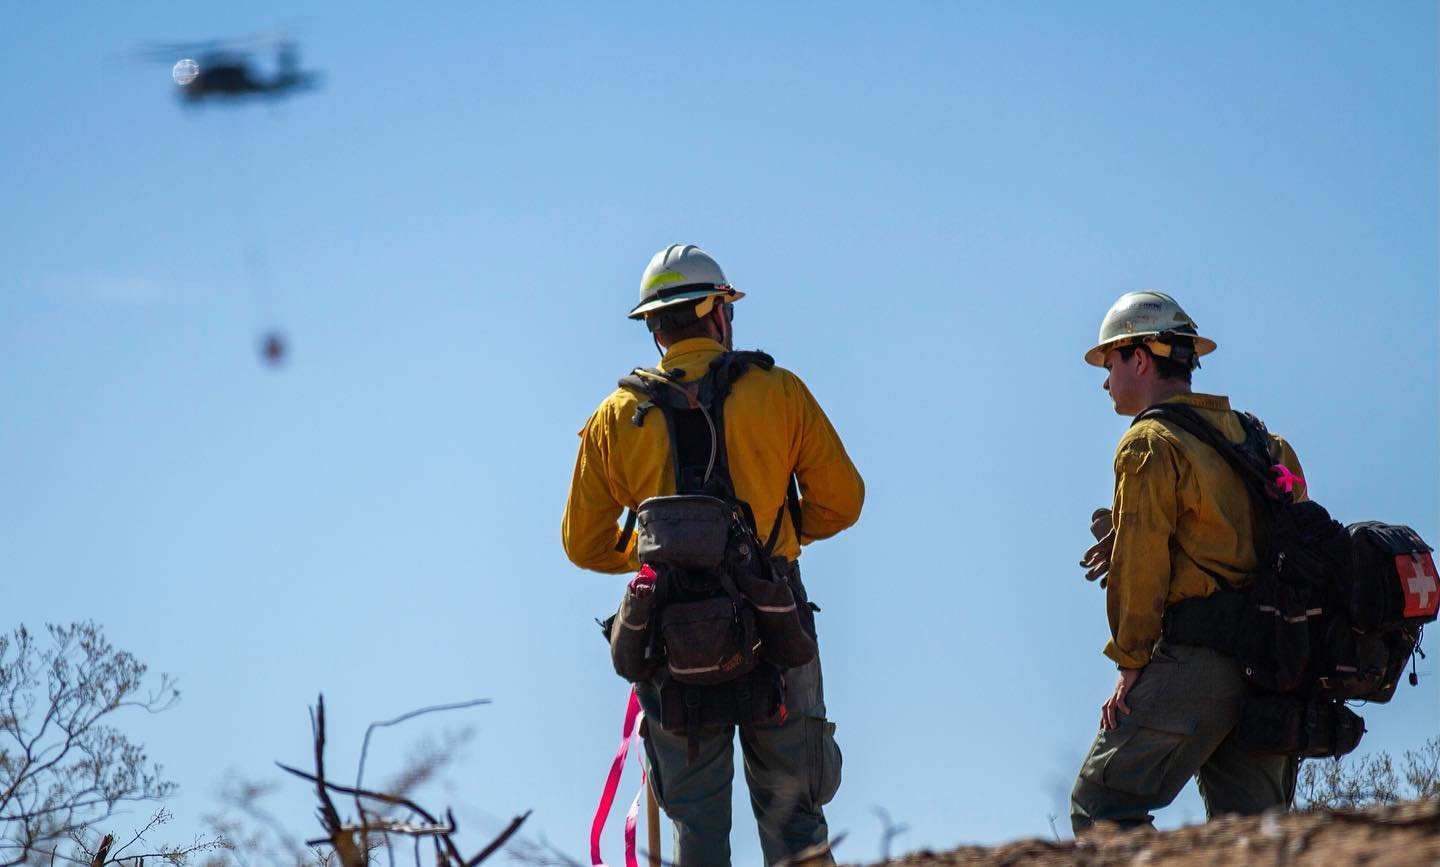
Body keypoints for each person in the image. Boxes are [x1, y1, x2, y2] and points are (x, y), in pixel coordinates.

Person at [563, 244, 864, 866]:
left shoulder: (614, 417)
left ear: (654, 328)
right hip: (774, 625)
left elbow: (584, 543)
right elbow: (843, 501)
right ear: (718, 315)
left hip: (672, 646)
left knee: (696, 832)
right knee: (795, 818)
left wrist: (656, 558)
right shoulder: (779, 392)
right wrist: (776, 543)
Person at [1070, 291, 1305, 832]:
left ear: (1141, 359)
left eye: (1110, 363)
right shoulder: (1265, 442)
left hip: (1200, 662)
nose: (1106, 380)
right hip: (1274, 664)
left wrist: (1129, 666)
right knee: (1254, 835)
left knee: (1102, 805)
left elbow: (1141, 568)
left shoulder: (1149, 445)